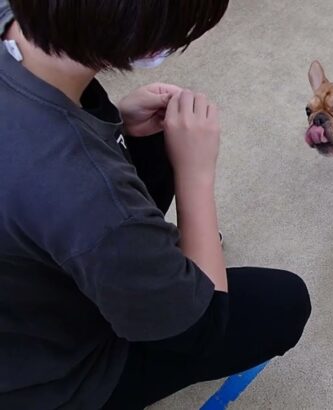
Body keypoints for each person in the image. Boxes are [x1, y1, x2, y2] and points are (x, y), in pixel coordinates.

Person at [0, 1, 311, 409]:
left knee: (147, 155)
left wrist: (108, 117)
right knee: (282, 302)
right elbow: (197, 331)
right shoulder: (87, 192)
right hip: (42, 383)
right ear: (144, 39)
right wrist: (195, 173)